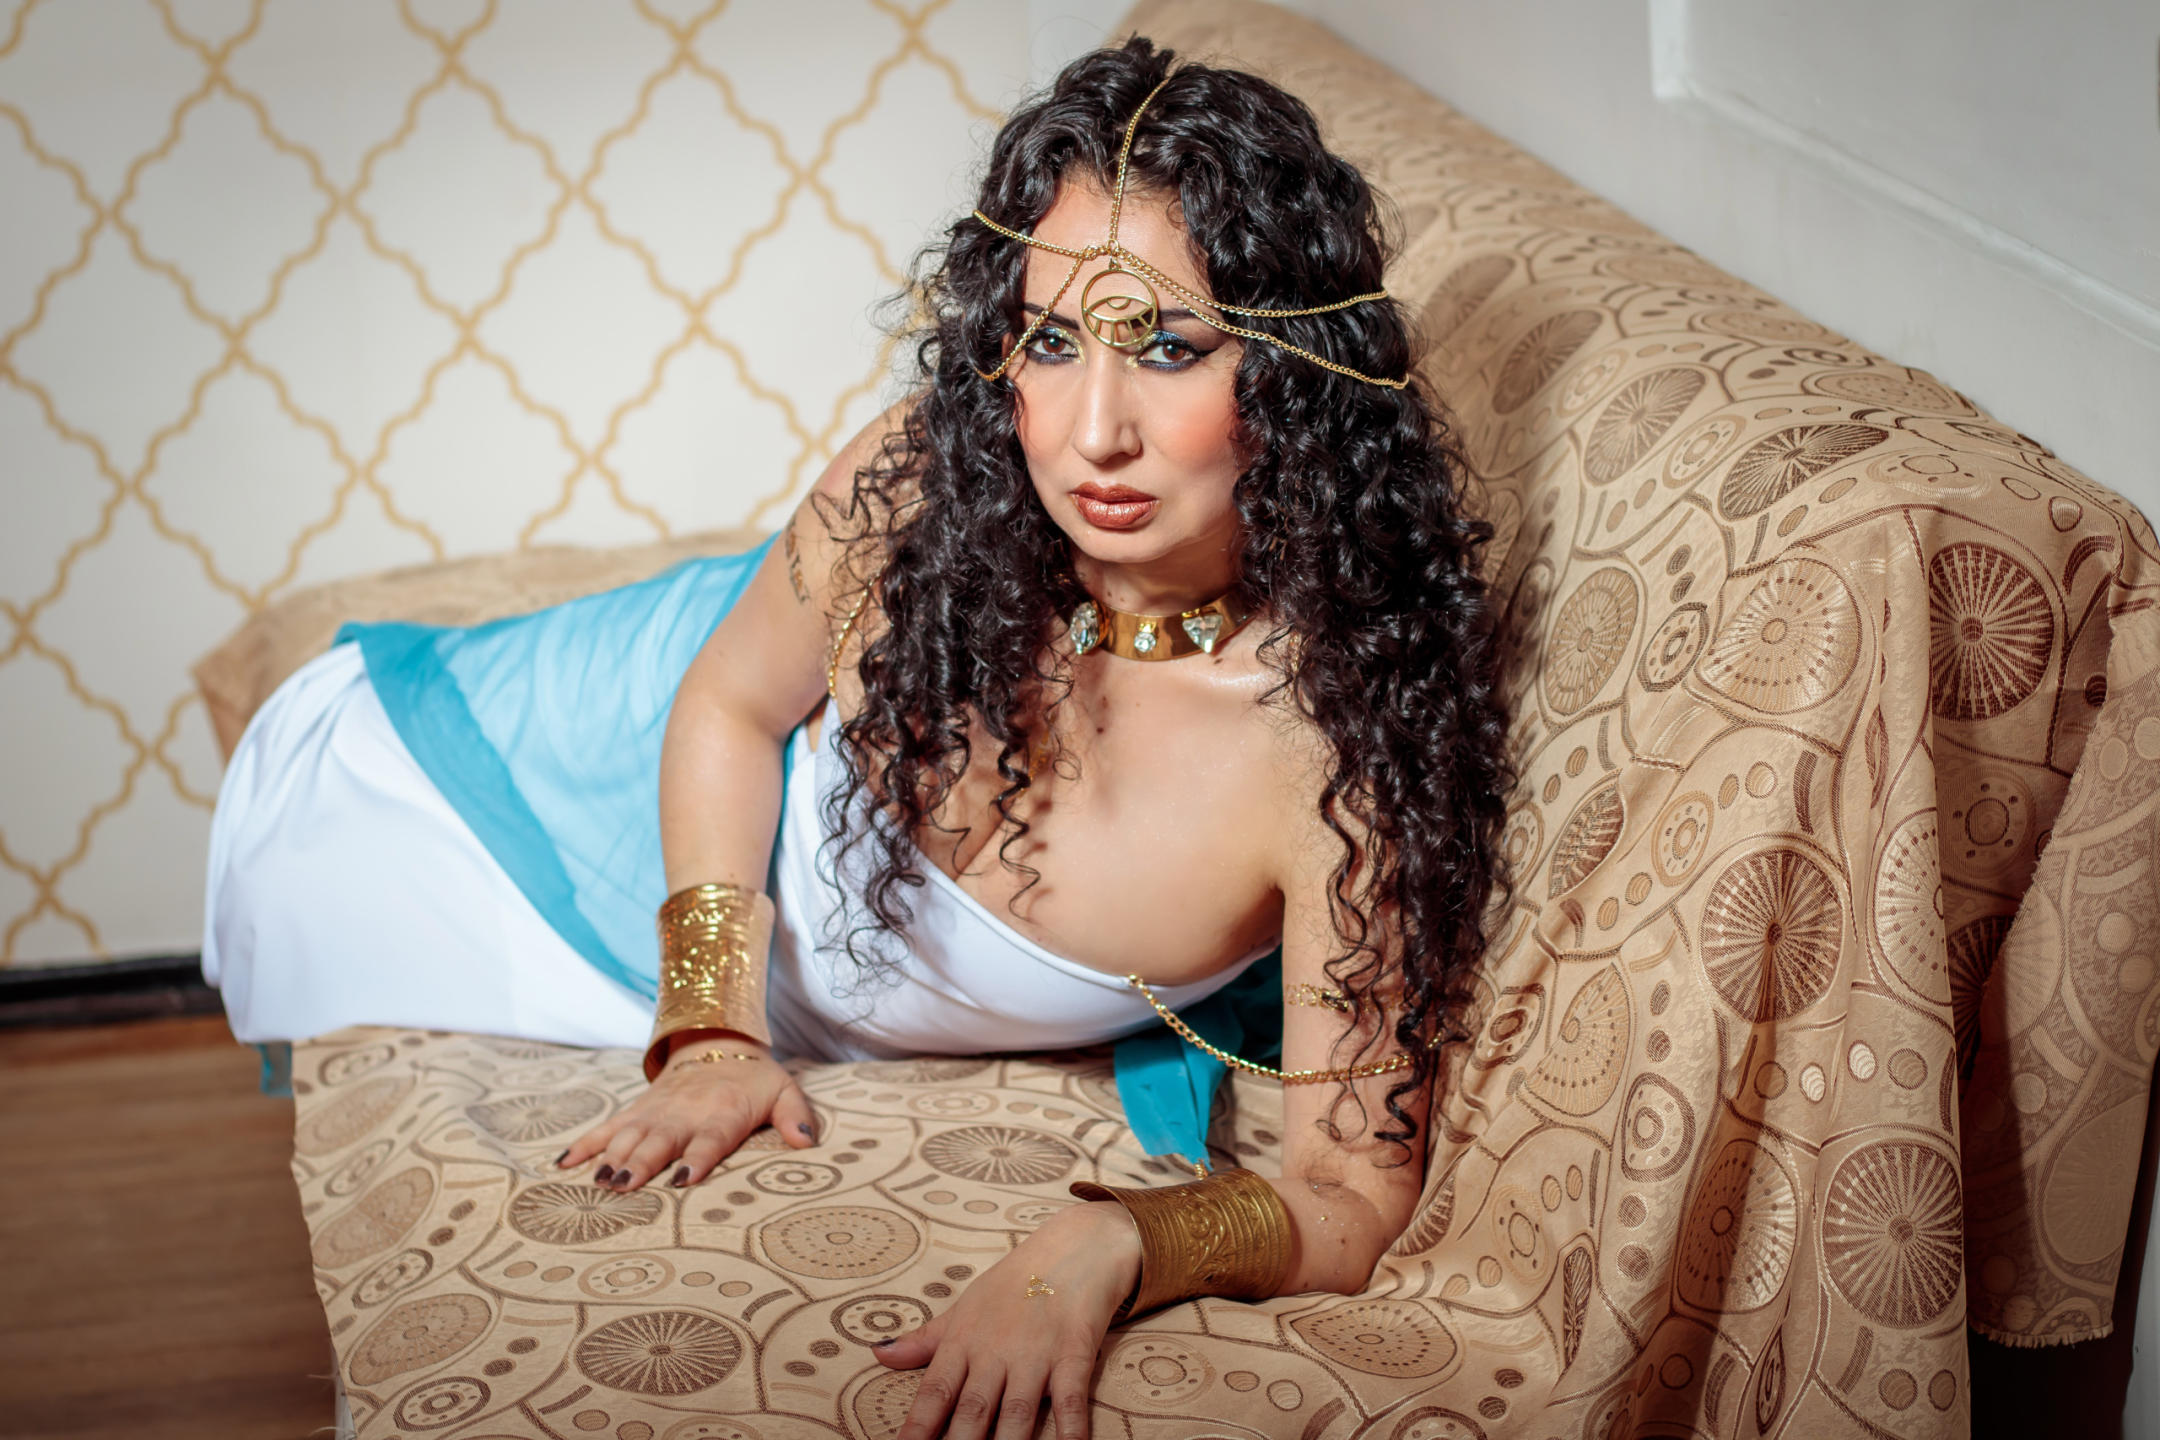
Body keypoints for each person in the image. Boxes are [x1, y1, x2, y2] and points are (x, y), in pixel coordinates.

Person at [203, 36, 1512, 1440]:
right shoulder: (919, 484)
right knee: (310, 843)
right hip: (531, 754)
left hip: (718, 855)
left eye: (1171, 350)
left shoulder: (1329, 754)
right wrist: (711, 1030)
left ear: (1303, 372)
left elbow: (1347, 1194)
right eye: (1050, 342)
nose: (1093, 433)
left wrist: (1115, 1241)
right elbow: (725, 702)